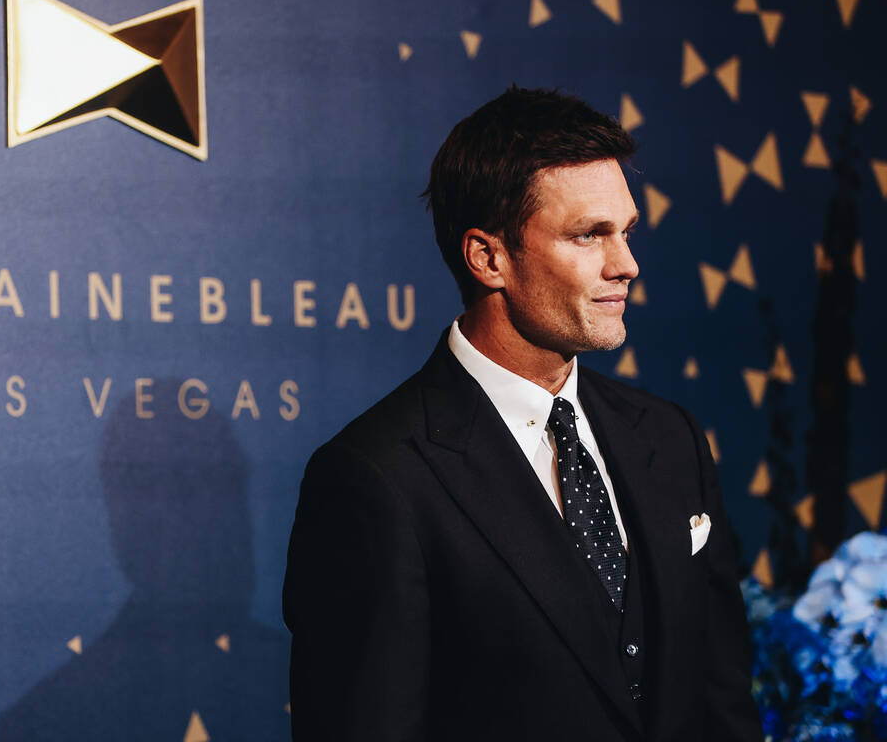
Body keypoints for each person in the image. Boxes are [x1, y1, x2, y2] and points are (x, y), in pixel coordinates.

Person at [282, 87, 762, 741]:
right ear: (488, 257)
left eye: (625, 232)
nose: (627, 265)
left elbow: (723, 705)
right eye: (588, 236)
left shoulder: (671, 437)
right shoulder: (376, 477)